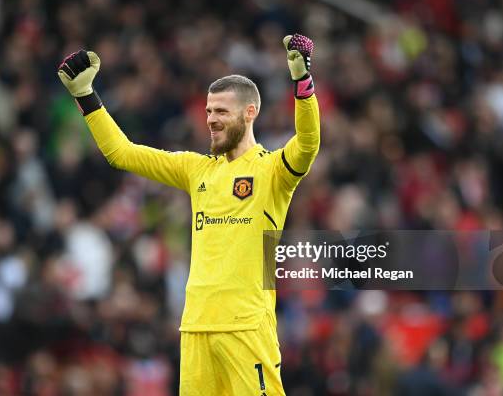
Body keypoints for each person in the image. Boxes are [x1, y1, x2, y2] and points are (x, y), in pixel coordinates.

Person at [57, 33, 320, 395]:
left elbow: (308, 143)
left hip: (247, 327)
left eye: (221, 111)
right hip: (196, 326)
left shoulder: (273, 170)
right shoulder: (196, 169)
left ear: (250, 113)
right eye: (209, 110)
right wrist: (86, 96)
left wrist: (302, 84)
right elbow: (122, 153)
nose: (211, 119)